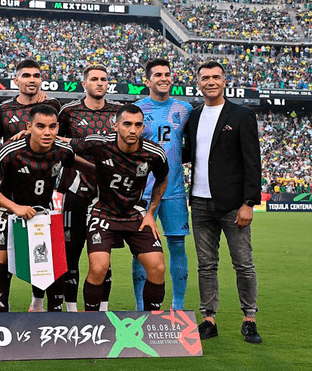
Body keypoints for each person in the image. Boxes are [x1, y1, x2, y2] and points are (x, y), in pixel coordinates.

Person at [184, 61, 262, 343]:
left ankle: (249, 319)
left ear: (224, 80)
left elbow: (253, 162)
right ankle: (208, 320)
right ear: (199, 82)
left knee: (243, 264)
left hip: (232, 204)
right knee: (206, 265)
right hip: (201, 203)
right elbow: (186, 153)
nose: (211, 82)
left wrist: (249, 202)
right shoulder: (193, 116)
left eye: (216, 77)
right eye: (205, 78)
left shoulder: (241, 115)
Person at [66, 104, 169, 312]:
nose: (132, 130)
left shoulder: (154, 153)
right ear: (115, 126)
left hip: (136, 214)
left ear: (143, 128)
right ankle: (91, 321)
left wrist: (151, 212)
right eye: (127, 124)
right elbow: (67, 146)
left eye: (138, 125)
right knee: (98, 267)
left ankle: (151, 321)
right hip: (102, 211)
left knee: (157, 268)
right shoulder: (98, 143)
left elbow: (162, 178)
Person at [0, 104, 74, 313]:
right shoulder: (12, 150)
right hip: (8, 212)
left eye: (52, 127)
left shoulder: (63, 150)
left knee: (54, 265)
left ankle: (49, 315)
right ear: (29, 127)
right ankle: (2, 317)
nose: (47, 132)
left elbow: (82, 165)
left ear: (58, 128)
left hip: (44, 212)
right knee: (2, 262)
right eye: (40, 126)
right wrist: (15, 207)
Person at [0, 59, 61, 311]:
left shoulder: (52, 106)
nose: (31, 79)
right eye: (25, 75)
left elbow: (62, 142)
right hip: (9, 190)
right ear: (16, 80)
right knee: (2, 259)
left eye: (36, 75)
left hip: (42, 193)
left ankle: (37, 306)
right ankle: (0, 314)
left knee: (42, 257)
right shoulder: (2, 110)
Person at [57, 65, 122, 312]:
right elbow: (59, 147)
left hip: (108, 197)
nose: (99, 83)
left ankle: (102, 309)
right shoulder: (69, 112)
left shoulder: (118, 112)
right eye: (94, 79)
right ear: (84, 84)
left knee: (103, 257)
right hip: (76, 192)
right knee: (71, 253)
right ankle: (72, 310)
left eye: (103, 79)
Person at [132, 58, 193, 311]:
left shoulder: (185, 109)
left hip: (175, 190)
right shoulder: (135, 110)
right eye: (157, 75)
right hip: (142, 192)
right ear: (147, 81)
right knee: (139, 251)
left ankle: (178, 306)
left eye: (167, 74)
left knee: (177, 246)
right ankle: (140, 307)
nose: (164, 78)